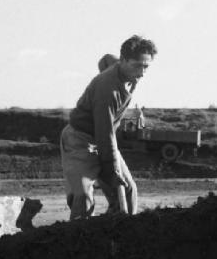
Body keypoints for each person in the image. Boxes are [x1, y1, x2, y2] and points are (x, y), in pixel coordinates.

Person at [60, 35, 157, 220]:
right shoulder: (108, 91)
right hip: (80, 140)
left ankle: (119, 232)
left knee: (128, 190)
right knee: (82, 197)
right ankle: (79, 240)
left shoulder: (123, 69)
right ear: (124, 60)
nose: (142, 73)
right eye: (138, 65)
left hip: (102, 138)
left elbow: (105, 59)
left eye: (146, 66)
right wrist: (112, 172)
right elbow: (105, 134)